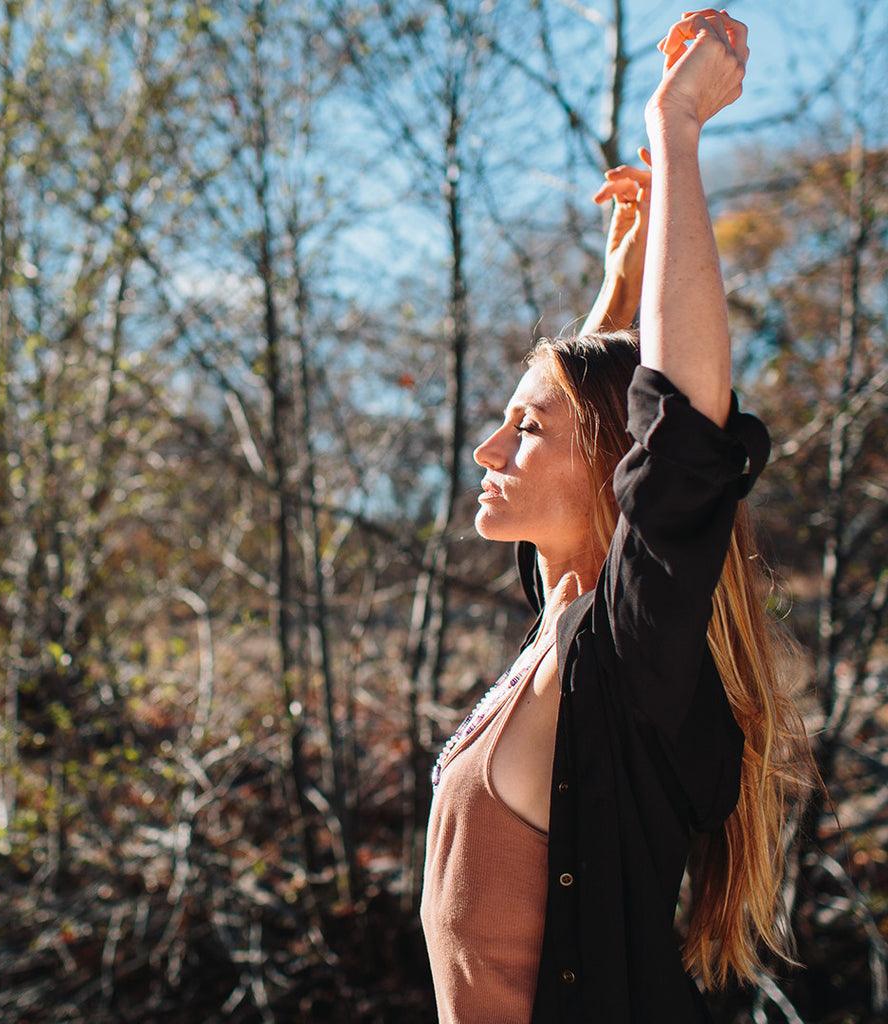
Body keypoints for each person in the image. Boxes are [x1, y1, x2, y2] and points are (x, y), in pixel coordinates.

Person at [419, 9, 822, 1024]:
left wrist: (676, 125)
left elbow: (672, 433)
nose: (487, 449)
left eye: (521, 429)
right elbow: (600, 415)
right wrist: (623, 278)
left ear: (607, 469)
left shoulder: (627, 660)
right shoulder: (559, 618)